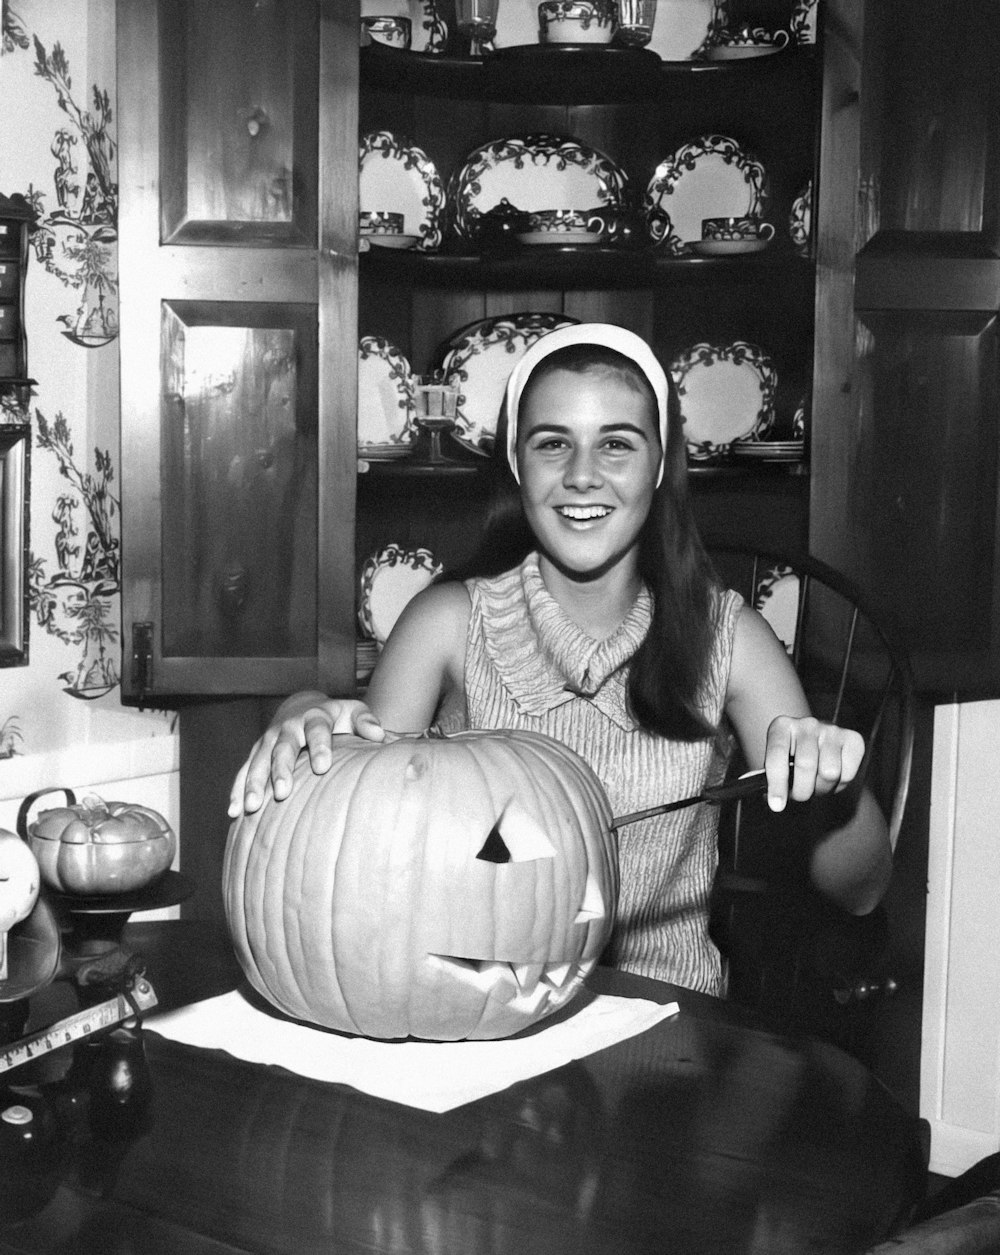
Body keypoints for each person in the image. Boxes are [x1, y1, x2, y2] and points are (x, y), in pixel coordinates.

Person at [230, 323, 891, 995]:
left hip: (670, 1025)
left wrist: (839, 788)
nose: (582, 475)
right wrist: (303, 710)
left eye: (616, 445)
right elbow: (358, 835)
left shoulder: (731, 638)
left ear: (660, 465)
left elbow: (861, 893)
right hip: (481, 1010)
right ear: (518, 465)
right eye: (553, 444)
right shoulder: (449, 622)